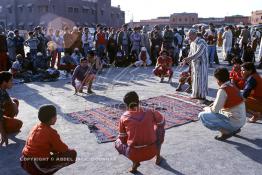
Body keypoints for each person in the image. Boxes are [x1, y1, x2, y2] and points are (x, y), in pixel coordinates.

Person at [115, 91, 165, 173]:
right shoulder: (150, 112)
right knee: (159, 131)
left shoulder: (123, 117)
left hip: (133, 154)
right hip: (152, 151)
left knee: (118, 141)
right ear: (139, 101)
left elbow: (123, 138)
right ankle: (158, 157)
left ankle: (135, 163)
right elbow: (162, 122)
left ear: (126, 105)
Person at [20, 104, 77, 175]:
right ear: (52, 118)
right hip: (37, 166)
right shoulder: (50, 132)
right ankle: (45, 172)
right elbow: (64, 149)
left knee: (52, 149)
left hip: (24, 162)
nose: (56, 118)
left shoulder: (35, 127)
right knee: (72, 153)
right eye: (55, 116)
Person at [198, 68, 246, 141]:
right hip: (241, 121)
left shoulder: (223, 89)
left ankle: (226, 132)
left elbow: (215, 110)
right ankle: (234, 129)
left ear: (217, 80)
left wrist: (206, 108)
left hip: (235, 122)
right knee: (221, 111)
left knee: (202, 115)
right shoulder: (232, 85)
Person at [183, 29, 209, 102]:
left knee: (201, 80)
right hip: (195, 64)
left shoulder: (202, 42)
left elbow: (198, 53)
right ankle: (196, 94)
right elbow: (190, 53)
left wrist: (188, 59)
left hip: (202, 64)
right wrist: (185, 60)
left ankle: (202, 96)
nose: (189, 37)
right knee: (195, 80)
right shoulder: (192, 43)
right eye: (188, 35)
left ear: (194, 34)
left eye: (190, 35)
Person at [0, 71, 23, 146]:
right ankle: (5, 127)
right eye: (11, 80)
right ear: (4, 82)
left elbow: (8, 98)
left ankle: (7, 122)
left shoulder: (2, 88)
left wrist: (14, 104)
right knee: (18, 124)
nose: (12, 83)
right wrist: (3, 134)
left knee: (15, 101)